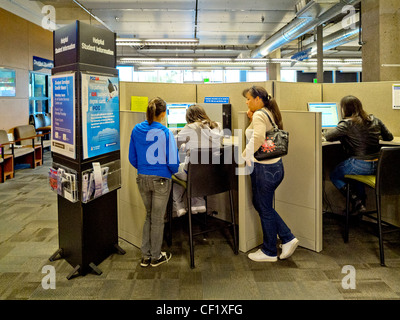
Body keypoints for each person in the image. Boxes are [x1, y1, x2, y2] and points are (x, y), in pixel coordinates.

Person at [242, 86, 298, 262]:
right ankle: (287, 238)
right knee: (261, 205)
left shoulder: (259, 114)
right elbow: (262, 133)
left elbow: (258, 138)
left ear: (258, 99)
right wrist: (252, 119)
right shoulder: (268, 112)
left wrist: (244, 156)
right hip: (275, 167)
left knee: (264, 207)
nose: (247, 102)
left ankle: (270, 251)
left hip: (263, 169)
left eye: (249, 99)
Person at [128, 97, 179, 267]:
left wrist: (144, 168)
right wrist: (169, 171)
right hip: (161, 180)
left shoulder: (136, 129)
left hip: (142, 178)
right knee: (157, 219)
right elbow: (173, 163)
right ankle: (156, 257)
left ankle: (145, 256)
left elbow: (132, 158)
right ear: (163, 114)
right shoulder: (166, 132)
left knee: (149, 216)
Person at [324, 95, 393, 212]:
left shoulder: (346, 124)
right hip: (378, 164)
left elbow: (328, 136)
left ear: (344, 109)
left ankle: (356, 201)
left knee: (334, 175)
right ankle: (360, 204)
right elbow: (389, 137)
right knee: (355, 177)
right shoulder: (375, 120)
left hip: (359, 164)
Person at [173, 104, 224, 216]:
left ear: (189, 117)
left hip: (194, 174)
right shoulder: (217, 126)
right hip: (213, 174)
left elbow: (173, 143)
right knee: (198, 169)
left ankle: (179, 205)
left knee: (173, 171)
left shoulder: (189, 128)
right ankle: (198, 203)